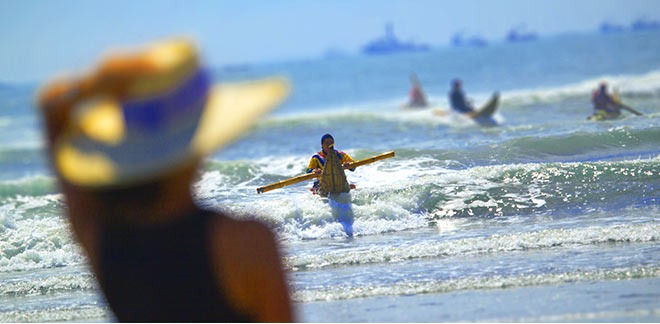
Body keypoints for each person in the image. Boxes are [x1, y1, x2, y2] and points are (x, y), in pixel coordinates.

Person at [37, 38, 294, 322]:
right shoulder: (245, 243)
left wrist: (97, 86)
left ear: (128, 146)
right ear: (198, 142)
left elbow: (51, 107)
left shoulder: (100, 239)